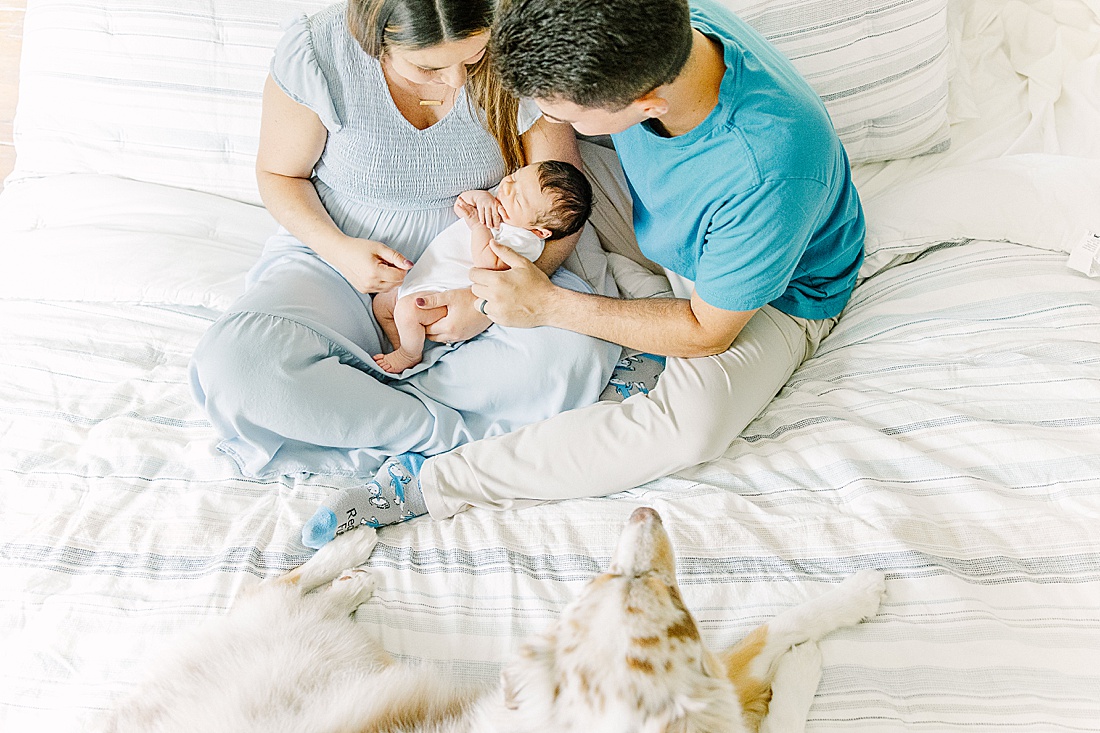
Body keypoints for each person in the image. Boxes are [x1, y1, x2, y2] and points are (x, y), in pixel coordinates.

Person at [301, 0, 867, 547]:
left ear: (645, 104)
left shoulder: (769, 170)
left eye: (563, 112)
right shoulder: (651, 24)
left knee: (693, 426)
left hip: (765, 294)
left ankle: (427, 484)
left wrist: (547, 303)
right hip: (649, 211)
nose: (550, 120)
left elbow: (706, 330)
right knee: (539, 191)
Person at [188, 0, 620, 518]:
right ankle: (440, 440)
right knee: (238, 365)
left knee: (571, 353)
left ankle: (368, 417)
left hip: (482, 266)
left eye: (475, 58)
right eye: (430, 67)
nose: (457, 83)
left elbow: (560, 209)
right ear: (377, 39)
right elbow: (280, 176)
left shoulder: (517, 42)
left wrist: (484, 299)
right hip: (341, 259)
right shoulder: (319, 53)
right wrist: (342, 253)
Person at [372, 160, 592, 374]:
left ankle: (409, 354)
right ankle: (401, 342)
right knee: (382, 303)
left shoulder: (525, 241)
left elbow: (488, 265)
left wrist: (478, 226)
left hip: (445, 294)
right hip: (423, 278)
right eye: (515, 176)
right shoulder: (502, 200)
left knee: (407, 311)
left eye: (517, 198)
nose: (506, 187)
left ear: (539, 231)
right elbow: (462, 204)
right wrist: (480, 197)